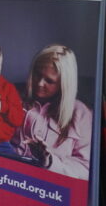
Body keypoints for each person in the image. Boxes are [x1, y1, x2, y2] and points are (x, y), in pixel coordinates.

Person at [12, 45, 92, 180]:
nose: (39, 83)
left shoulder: (81, 113)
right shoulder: (12, 95)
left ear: (63, 84)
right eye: (37, 74)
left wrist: (49, 162)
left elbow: (85, 169)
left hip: (49, 188)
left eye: (49, 81)